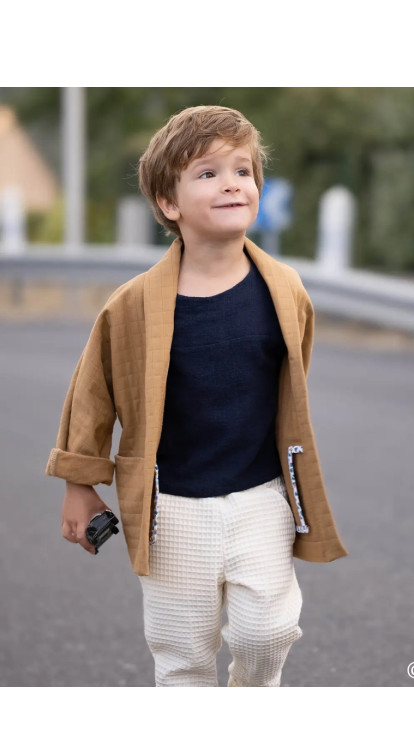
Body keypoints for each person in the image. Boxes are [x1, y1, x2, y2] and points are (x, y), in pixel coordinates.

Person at [46, 105, 348, 687]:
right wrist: (79, 486)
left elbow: (292, 379)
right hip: (173, 508)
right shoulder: (132, 305)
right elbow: (92, 395)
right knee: (183, 655)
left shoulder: (285, 289)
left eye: (243, 170)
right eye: (207, 173)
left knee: (268, 633)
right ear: (169, 203)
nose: (233, 182)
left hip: (262, 495)